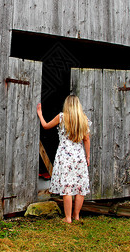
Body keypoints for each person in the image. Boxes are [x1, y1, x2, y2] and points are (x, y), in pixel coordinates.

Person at [36, 95, 91, 223]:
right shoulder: (83, 119)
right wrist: (87, 156)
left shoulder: (62, 117)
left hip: (65, 157)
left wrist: (40, 114)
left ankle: (67, 218)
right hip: (79, 157)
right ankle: (76, 216)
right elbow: (86, 139)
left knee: (67, 187)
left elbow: (46, 126)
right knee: (79, 187)